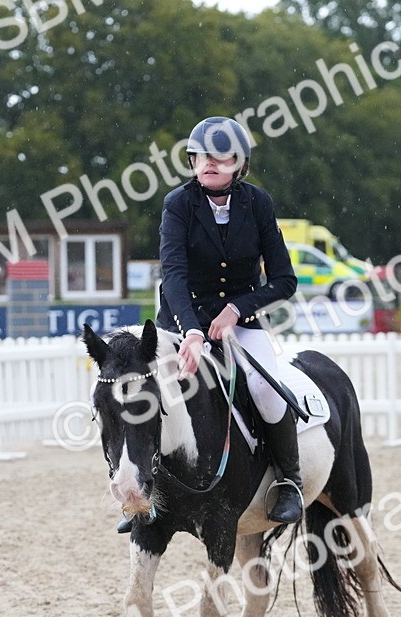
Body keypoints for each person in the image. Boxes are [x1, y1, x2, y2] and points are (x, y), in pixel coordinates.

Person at [117, 116, 302, 533]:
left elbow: (284, 280)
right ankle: (138, 492)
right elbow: (175, 275)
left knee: (266, 392)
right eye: (202, 156)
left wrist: (237, 309)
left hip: (243, 323)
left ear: (240, 163)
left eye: (221, 157)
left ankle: (289, 481)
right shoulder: (177, 204)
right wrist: (194, 330)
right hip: (183, 322)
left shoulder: (258, 204)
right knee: (144, 395)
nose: (210, 163)